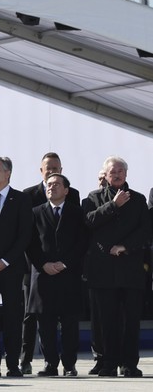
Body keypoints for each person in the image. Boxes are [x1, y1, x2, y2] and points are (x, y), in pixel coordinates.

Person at [82, 156, 151, 378]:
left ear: (126, 174)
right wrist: (113, 205)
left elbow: (145, 231)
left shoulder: (139, 200)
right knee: (107, 321)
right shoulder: (94, 198)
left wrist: (124, 247)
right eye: (113, 171)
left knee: (131, 321)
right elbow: (89, 224)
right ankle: (109, 363)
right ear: (106, 174)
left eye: (121, 170)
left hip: (130, 269)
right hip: (103, 270)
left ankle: (130, 363)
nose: (118, 174)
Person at [19, 152, 81, 374]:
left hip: (68, 275)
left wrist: (64, 263)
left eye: (57, 184)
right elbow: (30, 243)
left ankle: (69, 364)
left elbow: (81, 243)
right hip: (42, 275)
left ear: (66, 190)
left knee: (69, 322)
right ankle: (50, 364)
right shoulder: (35, 212)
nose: (51, 187)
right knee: (44, 323)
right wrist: (43, 264)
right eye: (49, 184)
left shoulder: (76, 212)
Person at [0, 156, 33, 378]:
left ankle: (13, 364)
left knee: (13, 318)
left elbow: (25, 235)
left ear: (8, 173)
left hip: (11, 269)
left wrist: (5, 261)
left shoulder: (21, 200)